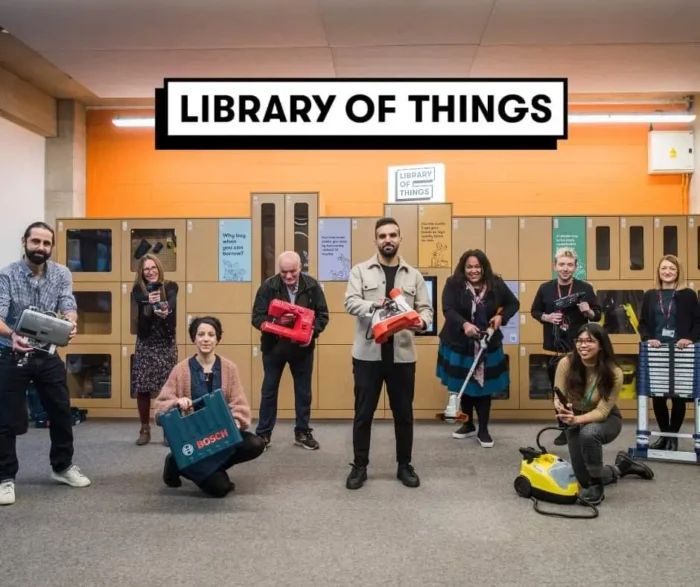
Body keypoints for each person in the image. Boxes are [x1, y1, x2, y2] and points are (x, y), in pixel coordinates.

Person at [0, 222, 91, 507]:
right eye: (35, 242)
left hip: (47, 353)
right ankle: (5, 478)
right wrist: (13, 335)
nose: (41, 247)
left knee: (61, 410)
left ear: (52, 246)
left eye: (46, 243)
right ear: (25, 241)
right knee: (7, 418)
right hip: (11, 351)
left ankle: (62, 466)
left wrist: (70, 322)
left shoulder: (62, 273)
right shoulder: (7, 275)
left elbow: (68, 304)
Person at [344, 217, 433, 490]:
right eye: (382, 236)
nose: (388, 240)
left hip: (402, 357)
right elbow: (350, 302)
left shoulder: (414, 275)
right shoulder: (360, 271)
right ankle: (359, 466)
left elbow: (426, 308)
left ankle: (404, 465)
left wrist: (423, 322)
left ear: (399, 239)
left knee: (403, 414)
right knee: (363, 414)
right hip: (367, 356)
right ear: (375, 241)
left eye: (393, 235)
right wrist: (375, 306)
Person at [154, 316, 265, 498]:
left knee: (255, 443)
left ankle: (189, 464)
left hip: (220, 435)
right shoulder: (180, 370)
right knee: (220, 489)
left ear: (217, 339)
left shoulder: (229, 368)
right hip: (190, 439)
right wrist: (176, 402)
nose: (206, 339)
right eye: (201, 334)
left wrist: (236, 421)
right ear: (194, 338)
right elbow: (160, 408)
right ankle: (176, 462)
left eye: (211, 335)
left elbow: (239, 403)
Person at [553, 323, 654, 505]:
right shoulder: (565, 363)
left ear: (601, 345)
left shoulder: (614, 372)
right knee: (583, 479)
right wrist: (561, 407)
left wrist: (577, 420)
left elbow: (603, 410)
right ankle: (622, 467)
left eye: (589, 341)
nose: (583, 346)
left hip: (606, 419)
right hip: (574, 417)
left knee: (588, 434)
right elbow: (557, 395)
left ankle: (597, 486)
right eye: (580, 341)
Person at [436, 249, 520, 448]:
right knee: (464, 385)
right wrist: (464, 325)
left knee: (483, 388)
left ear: (483, 267)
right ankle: (468, 424)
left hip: (487, 343)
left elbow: (513, 304)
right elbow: (448, 309)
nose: (473, 271)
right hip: (459, 341)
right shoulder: (453, 283)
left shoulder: (496, 284)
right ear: (463, 268)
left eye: (477, 267)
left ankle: (483, 429)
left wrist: (501, 317)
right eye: (469, 267)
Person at [251, 251, 329, 450]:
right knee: (269, 391)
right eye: (284, 272)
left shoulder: (312, 286)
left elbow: (323, 315)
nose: (288, 277)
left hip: (302, 349)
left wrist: (312, 331)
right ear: (279, 270)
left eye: (292, 272)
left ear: (300, 268)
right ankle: (263, 434)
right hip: (274, 348)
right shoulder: (268, 287)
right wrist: (276, 321)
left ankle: (302, 432)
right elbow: (257, 318)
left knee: (303, 392)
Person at [531, 248, 602, 446]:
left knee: (581, 388)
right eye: (561, 264)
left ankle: (583, 425)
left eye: (569, 265)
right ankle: (563, 428)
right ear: (555, 266)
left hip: (580, 349)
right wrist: (546, 317)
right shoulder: (545, 288)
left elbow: (598, 315)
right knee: (559, 391)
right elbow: (534, 311)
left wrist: (588, 312)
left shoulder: (585, 288)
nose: (565, 269)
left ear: (575, 267)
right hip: (553, 349)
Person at [637, 255, 700, 450]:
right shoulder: (650, 295)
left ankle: (672, 437)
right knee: (658, 395)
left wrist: (689, 338)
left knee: (678, 395)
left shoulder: (688, 294)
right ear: (658, 271)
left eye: (672, 268)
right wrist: (648, 338)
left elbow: (698, 322)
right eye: (664, 268)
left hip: (682, 350)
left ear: (678, 271)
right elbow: (643, 323)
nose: (667, 272)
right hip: (658, 351)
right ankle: (664, 436)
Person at [130, 254, 179, 446]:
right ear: (141, 272)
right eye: (146, 269)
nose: (150, 272)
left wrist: (165, 311)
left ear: (159, 268)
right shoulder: (137, 290)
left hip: (165, 342)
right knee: (143, 386)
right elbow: (142, 307)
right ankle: (144, 428)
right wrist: (150, 305)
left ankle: (169, 430)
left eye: (153, 268)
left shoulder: (171, 286)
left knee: (169, 387)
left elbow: (171, 304)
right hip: (146, 342)